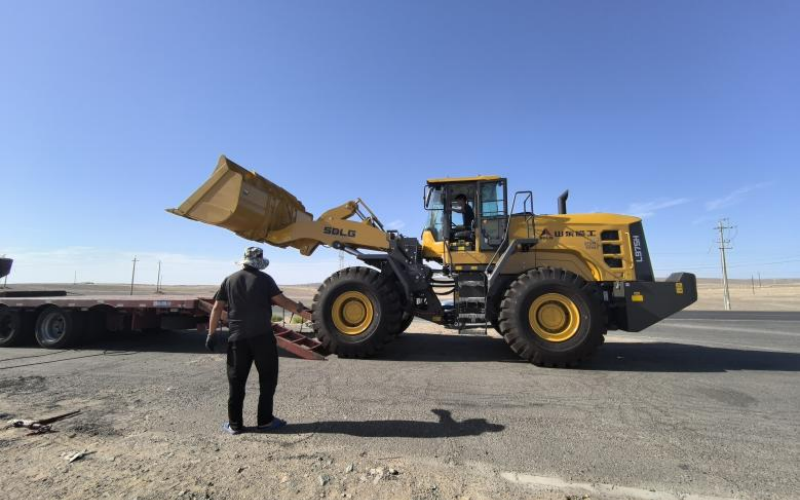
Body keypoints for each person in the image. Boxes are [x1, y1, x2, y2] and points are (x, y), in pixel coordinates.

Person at [206, 247, 313, 435]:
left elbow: (216, 308)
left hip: (237, 339)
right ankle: (265, 421)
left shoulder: (229, 280)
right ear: (259, 262)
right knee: (267, 380)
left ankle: (235, 425)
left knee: (236, 382)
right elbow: (284, 302)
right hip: (263, 338)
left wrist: (211, 333)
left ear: (244, 261)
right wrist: (305, 313)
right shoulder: (265, 280)